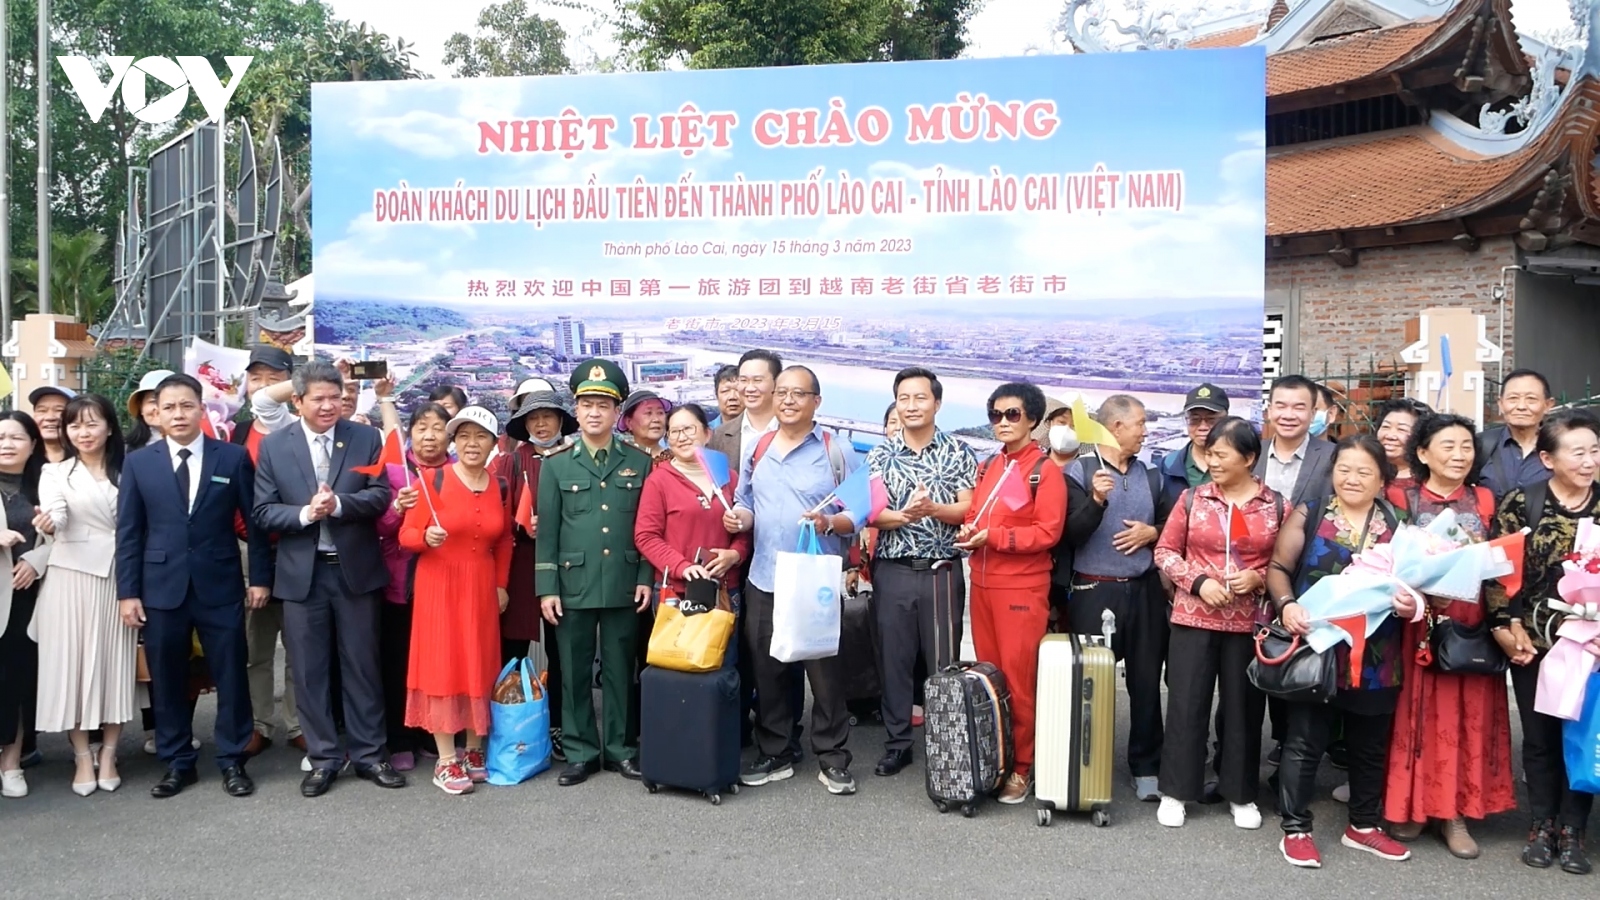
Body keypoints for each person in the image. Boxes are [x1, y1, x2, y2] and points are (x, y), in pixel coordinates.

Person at [115, 373, 271, 799]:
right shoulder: (139, 464)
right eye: (169, 407)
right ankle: (177, 761)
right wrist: (128, 592)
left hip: (219, 583)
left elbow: (255, 525)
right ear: (157, 415)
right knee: (166, 678)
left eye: (186, 405)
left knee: (230, 673)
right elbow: (129, 533)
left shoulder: (232, 457)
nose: (178, 414)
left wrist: (259, 578)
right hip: (160, 587)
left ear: (202, 409)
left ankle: (232, 759)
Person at [254, 361, 404, 797]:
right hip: (303, 574)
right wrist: (305, 514)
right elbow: (262, 511)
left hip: (354, 569)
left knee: (362, 666)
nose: (327, 406)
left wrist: (338, 506)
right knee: (309, 670)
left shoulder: (364, 437)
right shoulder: (276, 446)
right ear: (297, 401)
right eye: (317, 399)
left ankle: (370, 755)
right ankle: (323, 758)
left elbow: (380, 496)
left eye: (334, 398)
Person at [1269, 435, 1414, 868]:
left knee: (1369, 745)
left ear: (1383, 479)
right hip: (1320, 645)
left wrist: (1411, 602)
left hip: (1377, 652)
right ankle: (1295, 828)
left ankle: (1363, 825)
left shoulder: (1398, 523)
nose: (1352, 479)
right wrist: (1287, 604)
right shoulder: (1311, 514)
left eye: (1364, 471)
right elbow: (1278, 568)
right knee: (1305, 740)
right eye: (1344, 469)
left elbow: (1414, 583)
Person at [726, 365, 865, 794]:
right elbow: (746, 500)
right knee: (768, 671)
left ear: (816, 402)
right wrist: (739, 517)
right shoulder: (759, 445)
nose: (787, 400)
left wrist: (829, 522)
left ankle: (833, 755)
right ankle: (778, 749)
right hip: (764, 576)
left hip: (813, 580)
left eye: (798, 394)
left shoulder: (835, 450)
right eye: (782, 392)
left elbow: (858, 512)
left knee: (824, 672)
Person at [1384, 413, 1515, 858]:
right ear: (1422, 453)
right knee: (1414, 712)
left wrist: (1501, 618)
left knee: (1463, 714)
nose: (1459, 455)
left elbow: (1502, 565)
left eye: (1466, 446)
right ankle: (1412, 806)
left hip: (1469, 618)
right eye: (1448, 445)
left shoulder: (1485, 500)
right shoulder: (1400, 498)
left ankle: (1453, 811)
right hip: (1414, 619)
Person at [1154, 416, 1285, 830]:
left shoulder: (1275, 505)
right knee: (1186, 704)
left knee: (1244, 709)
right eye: (1209, 453)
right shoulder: (1193, 499)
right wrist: (1199, 581)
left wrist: (1258, 578)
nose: (1212, 461)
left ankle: (1240, 793)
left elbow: (1283, 563)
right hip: (1194, 617)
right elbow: (1165, 552)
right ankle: (1176, 791)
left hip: (1248, 623)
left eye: (1221, 454)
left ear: (1248, 458)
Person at [1485, 408, 1600, 875]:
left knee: (1582, 735)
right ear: (1549, 459)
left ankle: (1575, 830)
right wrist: (1503, 627)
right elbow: (1498, 572)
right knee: (1538, 738)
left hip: (1592, 646)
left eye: (1595, 450)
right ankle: (1542, 823)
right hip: (1535, 642)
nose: (1589, 460)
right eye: (1578, 452)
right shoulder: (1522, 502)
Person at [536, 359, 654, 786]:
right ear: (576, 408)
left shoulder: (639, 462)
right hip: (572, 584)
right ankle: (582, 750)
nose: (594, 412)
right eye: (586, 403)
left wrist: (644, 576)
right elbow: (546, 532)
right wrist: (547, 587)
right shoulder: (556, 463)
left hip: (624, 582)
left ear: (616, 412)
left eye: (603, 404)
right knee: (573, 670)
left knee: (622, 669)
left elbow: (646, 529)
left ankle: (621, 749)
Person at [958, 382, 1067, 805]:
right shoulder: (989, 466)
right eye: (996, 415)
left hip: (1021, 586)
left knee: (1020, 682)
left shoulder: (1044, 470)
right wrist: (970, 531)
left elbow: (1048, 532)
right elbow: (974, 513)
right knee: (990, 677)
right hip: (983, 584)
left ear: (1033, 420)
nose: (1003, 422)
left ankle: (1022, 767)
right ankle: (996, 759)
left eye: (1013, 414)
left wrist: (995, 537)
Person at [864, 367, 975, 777]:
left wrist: (933, 511)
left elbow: (967, 507)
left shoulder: (959, 452)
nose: (911, 406)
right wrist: (903, 516)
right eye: (904, 398)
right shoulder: (880, 454)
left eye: (920, 398)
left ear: (937, 404)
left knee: (943, 662)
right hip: (893, 570)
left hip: (942, 571)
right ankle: (897, 744)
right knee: (894, 659)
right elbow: (873, 514)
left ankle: (946, 741)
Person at [1062, 394, 1173, 801]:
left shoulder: (1153, 475)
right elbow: (1069, 534)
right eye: (1140, 423)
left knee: (1146, 682)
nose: (1145, 431)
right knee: (1093, 684)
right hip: (1094, 589)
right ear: (1115, 427)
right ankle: (1089, 764)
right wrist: (1094, 501)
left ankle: (1146, 767)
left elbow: (1172, 526)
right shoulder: (1080, 471)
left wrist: (1152, 533)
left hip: (1143, 591)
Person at [399, 406, 512, 795]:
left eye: (480, 436)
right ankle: (446, 759)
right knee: (443, 663)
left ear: (494, 444)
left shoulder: (500, 485)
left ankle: (474, 748)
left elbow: (504, 541)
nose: (471, 444)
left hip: (480, 585)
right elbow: (407, 535)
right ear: (453, 442)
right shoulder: (432, 480)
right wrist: (424, 537)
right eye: (463, 436)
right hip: (440, 585)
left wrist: (501, 584)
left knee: (478, 661)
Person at [32, 394, 138, 796]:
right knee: (72, 669)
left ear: (109, 427)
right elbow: (56, 515)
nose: (83, 432)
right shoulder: (55, 473)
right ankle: (80, 755)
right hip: (70, 578)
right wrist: (49, 522)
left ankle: (109, 752)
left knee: (114, 665)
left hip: (120, 579)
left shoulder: (132, 470)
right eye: (75, 425)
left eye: (92, 423)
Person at [493, 386, 577, 760]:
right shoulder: (512, 462)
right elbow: (497, 516)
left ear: (561, 420)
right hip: (523, 563)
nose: (541, 424)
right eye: (533, 418)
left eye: (548, 416)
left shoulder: (576, 455)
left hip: (566, 565)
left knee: (563, 650)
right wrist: (520, 524)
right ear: (524, 424)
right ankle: (508, 718)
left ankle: (560, 724)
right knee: (514, 646)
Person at [374, 402, 452, 771]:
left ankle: (430, 732)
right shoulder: (393, 472)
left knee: (438, 665)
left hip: (445, 585)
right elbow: (379, 529)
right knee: (398, 664)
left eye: (438, 428)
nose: (430, 435)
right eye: (422, 427)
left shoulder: (460, 471)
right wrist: (397, 510)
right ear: (411, 431)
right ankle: (398, 737)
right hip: (399, 584)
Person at [633, 403, 750, 637]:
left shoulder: (729, 477)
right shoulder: (659, 481)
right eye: (674, 432)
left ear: (707, 434)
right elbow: (646, 536)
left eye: (689, 429)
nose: (682, 437)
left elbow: (745, 529)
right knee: (679, 663)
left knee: (722, 662)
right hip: (677, 592)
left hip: (724, 589)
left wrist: (736, 554)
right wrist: (682, 567)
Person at [236, 347, 302, 758]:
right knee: (254, 647)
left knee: (300, 647)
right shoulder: (236, 433)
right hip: (246, 553)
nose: (262, 386)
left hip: (296, 548)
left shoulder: (300, 427)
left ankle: (298, 722)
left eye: (271, 377)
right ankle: (259, 722)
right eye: (255, 377)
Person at [0, 413, 49, 799]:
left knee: (18, 679)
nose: (7, 444)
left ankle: (12, 761)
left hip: (26, 599)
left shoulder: (47, 484)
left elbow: (71, 533)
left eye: (17, 437)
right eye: (0, 437)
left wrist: (37, 559)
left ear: (33, 444)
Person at [1479, 368, 1559, 502]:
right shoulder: (1481, 445)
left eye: (1531, 399)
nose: (1521, 406)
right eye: (1513, 398)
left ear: (1548, 405)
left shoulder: (1560, 447)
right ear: (1501, 403)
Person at [1257, 376, 1334, 508]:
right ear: (1269, 411)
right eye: (1281, 407)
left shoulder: (1333, 456)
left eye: (1299, 408)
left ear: (1313, 413)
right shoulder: (1252, 453)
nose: (1288, 416)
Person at [708, 349, 782, 464]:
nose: (750, 388)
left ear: (777, 383)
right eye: (743, 380)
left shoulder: (796, 430)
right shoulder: (718, 436)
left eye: (757, 380)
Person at [1160, 384, 1229, 506]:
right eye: (1194, 420)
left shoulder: (1240, 465)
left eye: (1211, 420)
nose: (1203, 427)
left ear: (1226, 420)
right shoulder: (1166, 467)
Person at [1374, 398, 1432, 493]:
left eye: (1401, 429)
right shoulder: (1367, 470)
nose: (1390, 436)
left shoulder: (1431, 480)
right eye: (1386, 427)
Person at [126, 370, 176, 450]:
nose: (159, 408)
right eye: (153, 401)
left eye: (167, 401)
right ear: (141, 407)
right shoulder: (127, 450)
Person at [620, 389, 671, 460]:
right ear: (629, 422)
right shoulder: (620, 459)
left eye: (660, 413)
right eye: (648, 413)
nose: (656, 419)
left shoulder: (676, 460)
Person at [29, 386, 74, 463]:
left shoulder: (88, 457)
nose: (50, 417)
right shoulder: (23, 458)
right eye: (42, 410)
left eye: (60, 410)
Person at [713, 365, 743, 429]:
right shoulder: (706, 432)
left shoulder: (761, 430)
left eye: (738, 390)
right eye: (725, 391)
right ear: (716, 395)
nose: (732, 397)